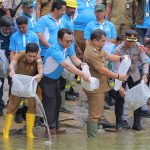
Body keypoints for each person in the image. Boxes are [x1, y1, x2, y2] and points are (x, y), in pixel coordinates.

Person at [40, 28, 90, 136]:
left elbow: (74, 59)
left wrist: (82, 65)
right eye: (67, 41)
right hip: (46, 80)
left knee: (57, 103)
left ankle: (55, 127)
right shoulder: (55, 49)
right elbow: (66, 65)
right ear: (59, 39)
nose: (69, 43)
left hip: (56, 79)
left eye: (71, 41)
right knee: (50, 105)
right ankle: (50, 130)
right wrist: (82, 74)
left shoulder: (69, 45)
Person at [83, 29, 126, 138]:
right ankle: (92, 139)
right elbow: (102, 70)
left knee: (98, 112)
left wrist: (121, 58)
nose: (104, 43)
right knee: (94, 114)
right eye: (102, 41)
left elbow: (108, 56)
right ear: (95, 41)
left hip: (100, 86)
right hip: (94, 87)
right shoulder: (91, 53)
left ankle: (94, 134)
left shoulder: (98, 49)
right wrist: (118, 76)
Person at [3, 43, 43, 139]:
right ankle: (6, 131)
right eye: (30, 56)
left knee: (31, 105)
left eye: (34, 56)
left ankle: (29, 132)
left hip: (30, 84)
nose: (32, 58)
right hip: (18, 83)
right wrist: (12, 70)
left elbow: (40, 68)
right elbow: (12, 64)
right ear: (25, 53)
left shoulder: (38, 58)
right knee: (13, 105)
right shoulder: (19, 54)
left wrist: (40, 74)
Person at [113, 29, 149, 131]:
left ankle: (136, 124)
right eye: (129, 41)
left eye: (133, 41)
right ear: (125, 39)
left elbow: (146, 60)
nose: (132, 43)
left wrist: (145, 74)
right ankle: (119, 123)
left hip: (134, 73)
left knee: (138, 98)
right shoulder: (118, 50)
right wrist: (119, 86)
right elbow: (116, 69)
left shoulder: (138, 46)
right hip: (121, 74)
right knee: (119, 98)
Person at [9, 15, 39, 123]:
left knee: (29, 91)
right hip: (18, 65)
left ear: (28, 25)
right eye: (19, 27)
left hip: (31, 66)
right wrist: (14, 65)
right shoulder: (14, 36)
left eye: (23, 27)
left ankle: (26, 112)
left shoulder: (34, 36)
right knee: (16, 91)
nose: (21, 29)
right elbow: (12, 52)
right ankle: (18, 112)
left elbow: (37, 52)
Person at [60, 0, 78, 113]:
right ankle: (62, 103)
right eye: (70, 8)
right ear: (66, 8)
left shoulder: (71, 19)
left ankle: (65, 97)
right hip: (64, 52)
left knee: (68, 77)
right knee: (63, 78)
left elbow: (72, 35)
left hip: (70, 50)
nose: (72, 10)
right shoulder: (63, 20)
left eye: (74, 8)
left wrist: (77, 49)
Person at [0, 16, 13, 116]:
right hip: (1, 63)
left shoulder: (15, 33)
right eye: (5, 29)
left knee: (12, 84)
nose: (8, 31)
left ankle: (11, 105)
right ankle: (0, 106)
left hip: (12, 61)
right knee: (0, 85)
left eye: (9, 28)